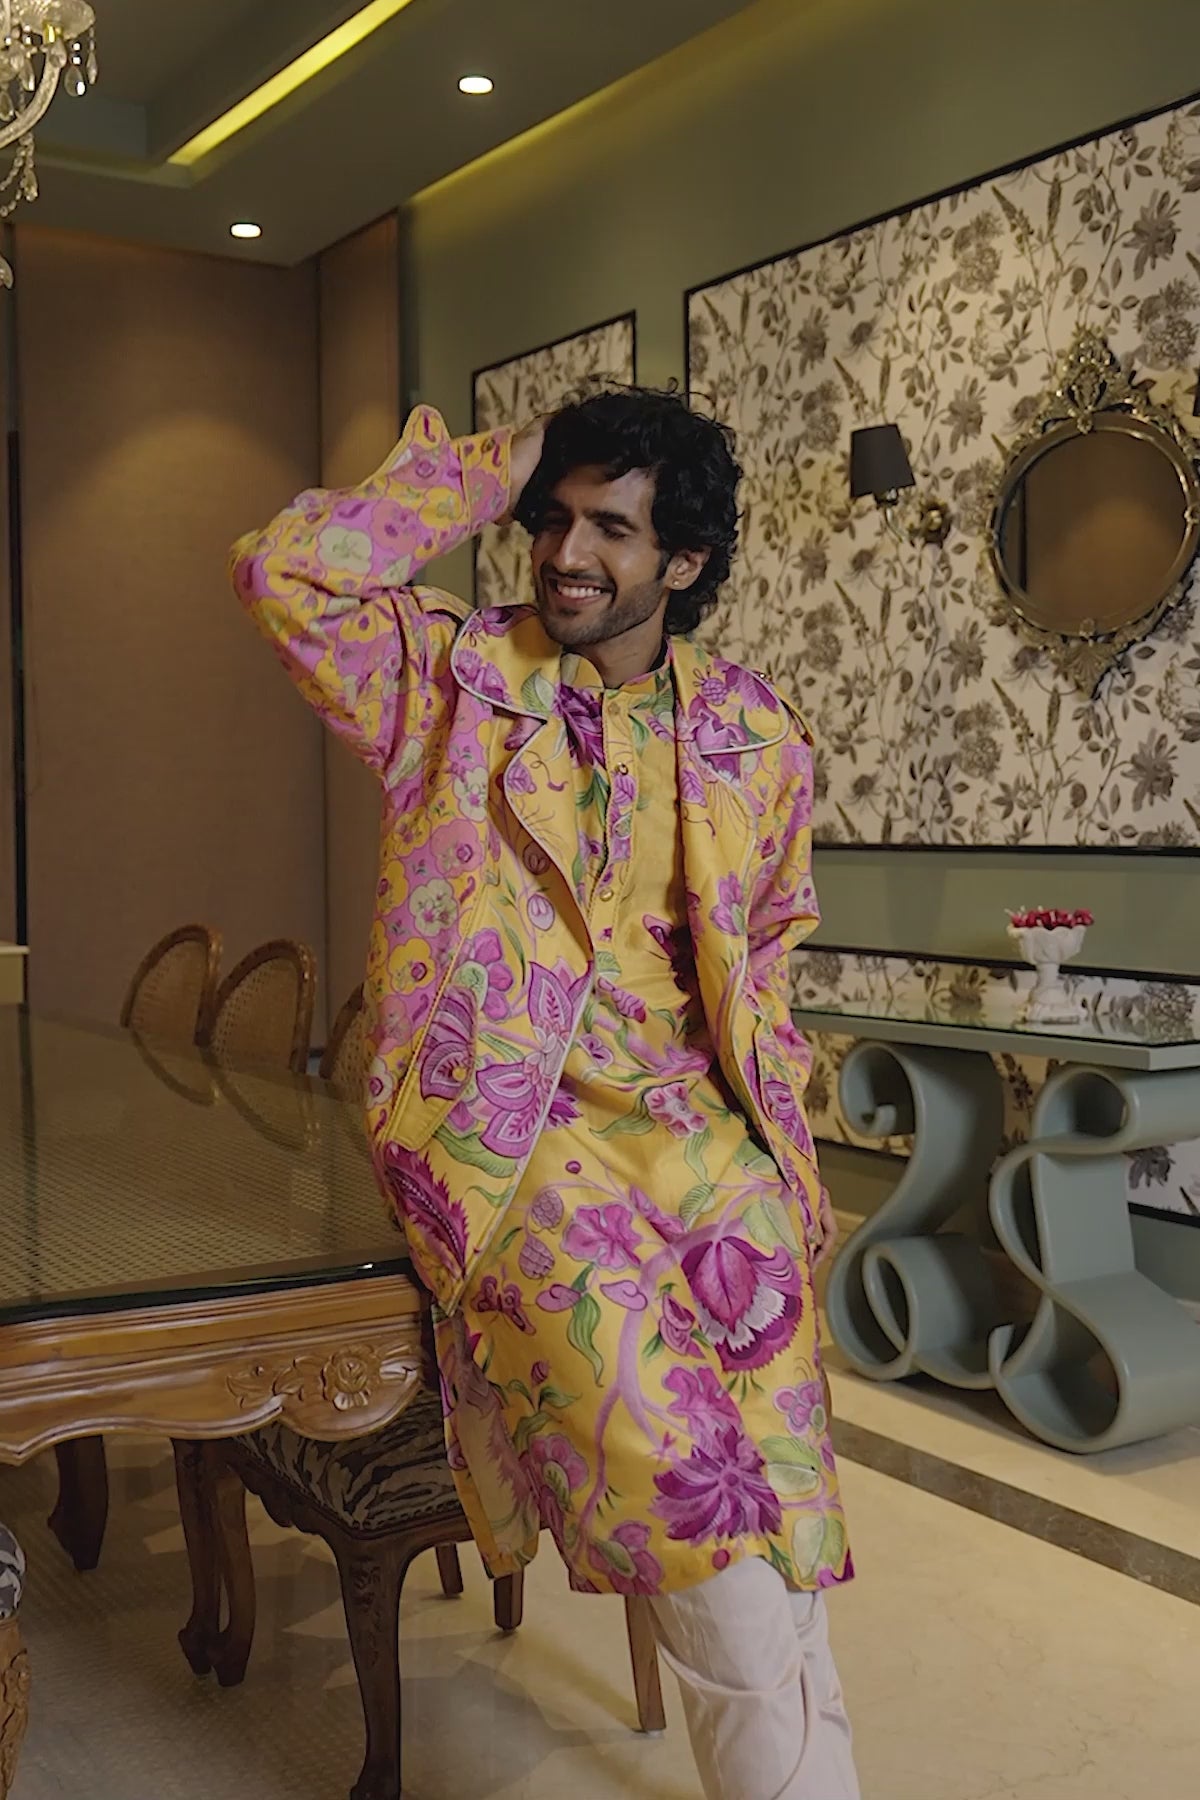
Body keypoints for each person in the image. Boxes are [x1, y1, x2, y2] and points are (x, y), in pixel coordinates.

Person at [233, 386, 859, 1800]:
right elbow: (286, 573)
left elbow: (769, 955)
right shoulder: (448, 684)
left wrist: (787, 1161)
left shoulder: (755, 732)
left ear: (682, 560)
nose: (567, 552)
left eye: (610, 529)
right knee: (697, 1517)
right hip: (516, 1153)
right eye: (553, 518)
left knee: (784, 1515)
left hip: (710, 1154)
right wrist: (491, 465)